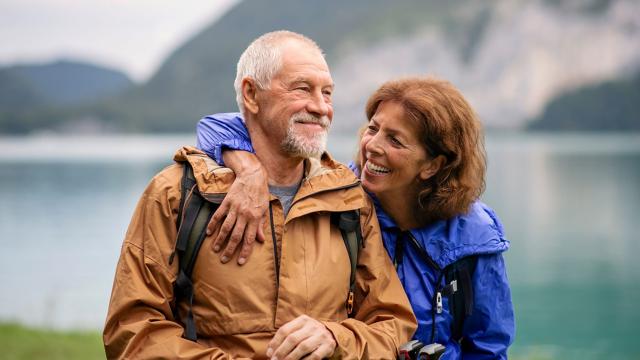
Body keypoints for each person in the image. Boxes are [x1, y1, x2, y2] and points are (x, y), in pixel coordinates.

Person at [103, 31, 417, 359]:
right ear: (251, 94)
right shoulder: (176, 194)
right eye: (302, 88)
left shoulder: (349, 199)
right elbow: (132, 331)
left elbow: (393, 326)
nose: (321, 107)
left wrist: (335, 338)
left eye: (327, 93)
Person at [196, 77, 515, 359]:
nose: (371, 146)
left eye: (395, 140)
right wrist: (248, 168)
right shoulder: (336, 196)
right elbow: (213, 126)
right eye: (373, 128)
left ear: (433, 165)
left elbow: (488, 347)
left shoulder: (474, 236)